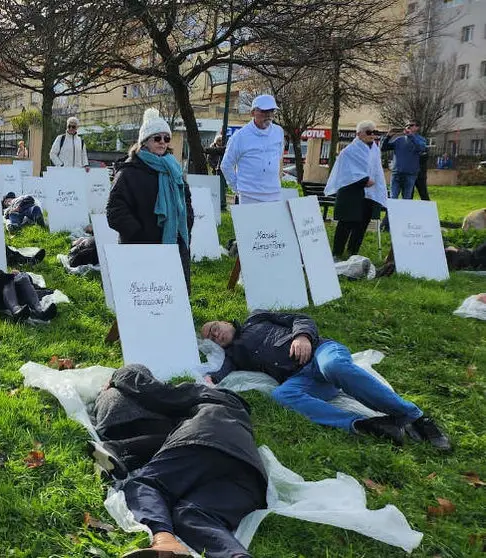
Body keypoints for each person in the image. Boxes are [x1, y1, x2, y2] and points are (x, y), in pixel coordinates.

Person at [200, 311, 451, 451]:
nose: (215, 334)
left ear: (223, 321)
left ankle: (415, 417)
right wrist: (210, 379)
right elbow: (222, 371)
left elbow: (301, 318)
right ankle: (368, 425)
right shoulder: (234, 355)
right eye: (211, 337)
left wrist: (302, 337)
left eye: (214, 327)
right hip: (300, 378)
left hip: (322, 352)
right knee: (281, 395)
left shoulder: (257, 318)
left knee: (334, 366)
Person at [92, 364, 266, 558]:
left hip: (205, 439)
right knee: (191, 514)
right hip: (250, 475)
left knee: (145, 484)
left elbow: (159, 393)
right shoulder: (239, 420)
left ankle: (165, 541)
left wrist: (118, 375)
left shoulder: (207, 395)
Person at [106, 108, 194, 291]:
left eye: (166, 138)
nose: (162, 142)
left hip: (173, 244)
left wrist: (186, 223)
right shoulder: (128, 172)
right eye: (157, 138)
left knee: (171, 295)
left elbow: (186, 201)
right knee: (143, 297)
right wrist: (139, 234)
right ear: (144, 142)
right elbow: (115, 211)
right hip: (140, 247)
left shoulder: (174, 170)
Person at [324, 120, 388, 259]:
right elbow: (347, 172)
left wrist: (376, 184)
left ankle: (353, 252)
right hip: (351, 192)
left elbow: (376, 169)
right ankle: (337, 253)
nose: (372, 135)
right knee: (346, 223)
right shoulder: (349, 151)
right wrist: (364, 180)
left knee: (362, 224)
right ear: (359, 134)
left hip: (369, 194)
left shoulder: (375, 150)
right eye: (369, 132)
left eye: (374, 132)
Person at [220, 94, 285, 204]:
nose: (268, 115)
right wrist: (238, 188)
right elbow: (226, 165)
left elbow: (278, 158)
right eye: (264, 111)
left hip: (274, 194)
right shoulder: (240, 136)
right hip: (249, 196)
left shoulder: (278, 132)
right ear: (253, 112)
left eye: (271, 111)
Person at [381, 119, 427, 202]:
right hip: (396, 173)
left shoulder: (421, 140)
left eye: (411, 125)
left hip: (410, 174)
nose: (408, 127)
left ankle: (404, 215)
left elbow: (421, 148)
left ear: (417, 127)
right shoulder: (399, 140)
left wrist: (411, 136)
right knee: (393, 197)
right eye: (407, 125)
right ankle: (389, 215)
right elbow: (383, 148)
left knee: (407, 199)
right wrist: (388, 136)